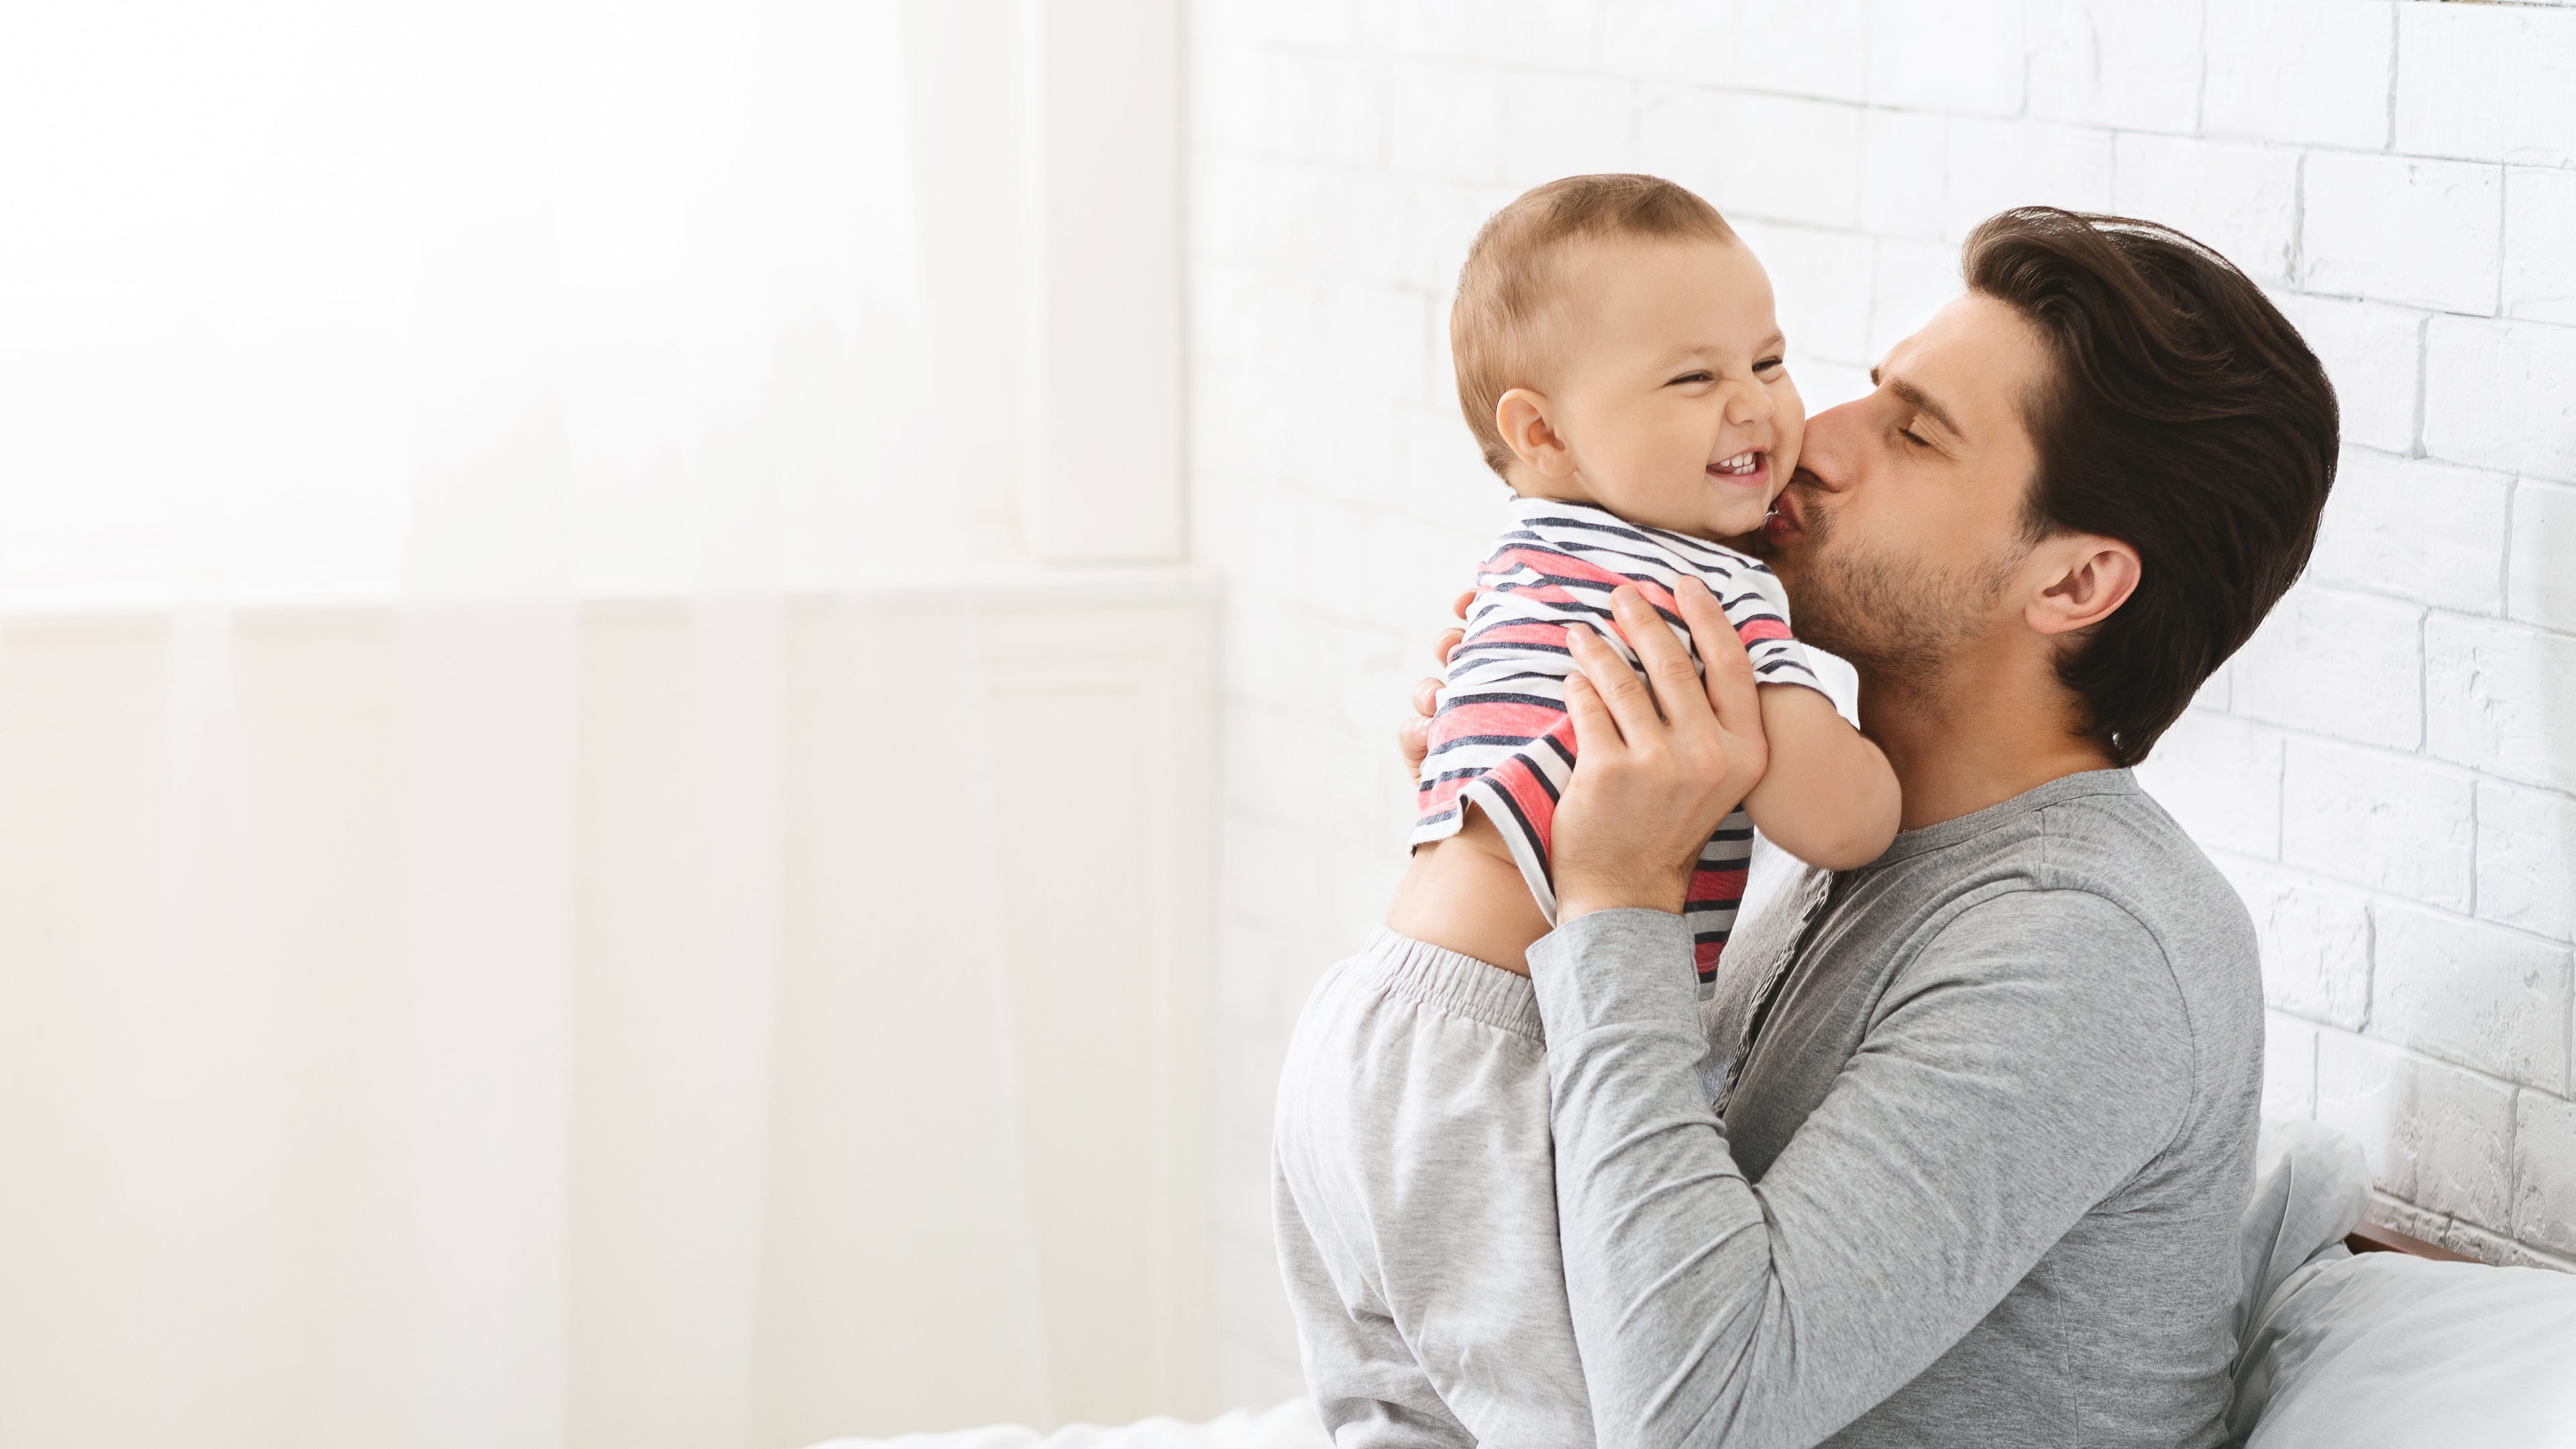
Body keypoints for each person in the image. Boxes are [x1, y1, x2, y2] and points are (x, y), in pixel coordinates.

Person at [1393, 205, 2341, 1447]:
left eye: (1915, 432)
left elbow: (1694, 1416)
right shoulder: (1853, 840)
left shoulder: (2087, 948)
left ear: (2072, 581)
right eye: (1869, 389)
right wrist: (1510, 841)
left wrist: (1616, 896)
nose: (1812, 438)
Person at [1271, 175, 1901, 1446]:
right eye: (1692, 379)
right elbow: (1846, 823)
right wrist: (1881, 753)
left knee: (1401, 1411)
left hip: (1364, 1029)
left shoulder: (1532, 550)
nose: (1755, 406)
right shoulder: (1704, 589)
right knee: (1570, 1416)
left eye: (1769, 359)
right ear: (1545, 432)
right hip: (1503, 1056)